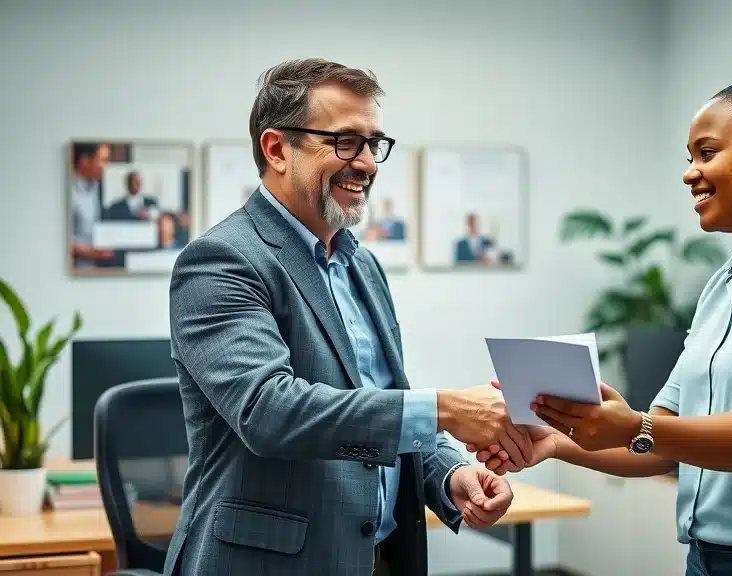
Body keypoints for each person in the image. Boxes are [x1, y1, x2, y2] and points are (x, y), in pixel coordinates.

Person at [471, 35, 732, 576]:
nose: (689, 172)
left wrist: (634, 426)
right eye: (690, 156)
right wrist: (555, 441)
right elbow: (667, 441)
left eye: (707, 152)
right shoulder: (725, 283)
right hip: (707, 562)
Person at [166, 58, 533, 576]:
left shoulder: (361, 264)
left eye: (373, 143)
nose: (366, 163)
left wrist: (448, 474)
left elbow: (380, 401)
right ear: (276, 149)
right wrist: (447, 408)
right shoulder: (223, 261)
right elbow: (270, 412)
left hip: (377, 559)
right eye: (344, 142)